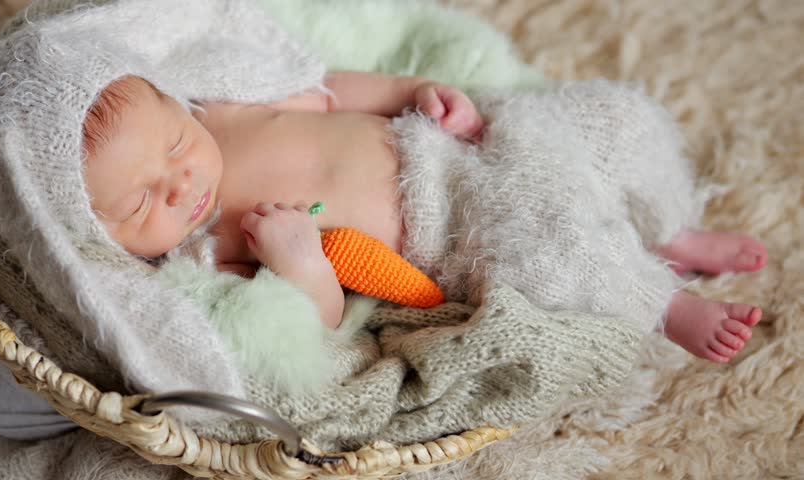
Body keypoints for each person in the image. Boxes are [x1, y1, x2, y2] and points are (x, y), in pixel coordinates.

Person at [82, 72, 767, 364]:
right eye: (140, 202)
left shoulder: (225, 107)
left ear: (180, 110)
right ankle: (663, 301)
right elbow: (313, 323)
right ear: (102, 233)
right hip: (452, 228)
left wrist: (417, 93)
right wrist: (301, 265)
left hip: (454, 140)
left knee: (611, 117)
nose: (179, 185)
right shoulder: (203, 255)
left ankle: (670, 227)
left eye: (174, 148)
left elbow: (330, 93)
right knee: (551, 251)